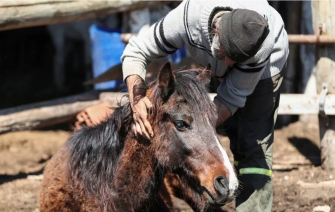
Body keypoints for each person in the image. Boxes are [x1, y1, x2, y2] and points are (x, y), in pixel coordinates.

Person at [121, 0, 289, 211]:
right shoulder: (187, 18)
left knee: (252, 145)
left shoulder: (260, 48)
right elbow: (136, 50)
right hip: (217, 48)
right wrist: (137, 101)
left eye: (234, 61)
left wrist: (194, 133)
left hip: (266, 69)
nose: (228, 66)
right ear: (215, 31)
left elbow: (232, 97)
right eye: (225, 55)